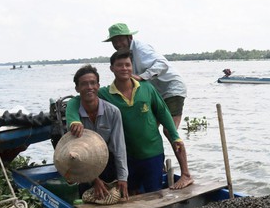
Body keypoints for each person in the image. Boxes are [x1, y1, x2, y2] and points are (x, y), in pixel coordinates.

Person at [65, 49, 193, 198]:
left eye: (128, 64)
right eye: (120, 65)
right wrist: (74, 119)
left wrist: (175, 135)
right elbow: (76, 100)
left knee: (155, 195)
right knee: (130, 195)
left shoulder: (147, 87)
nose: (124, 68)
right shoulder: (105, 93)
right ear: (112, 68)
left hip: (153, 152)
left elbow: (163, 112)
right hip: (128, 156)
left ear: (132, 67)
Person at [68, 65, 130, 208]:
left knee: (119, 204)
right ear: (77, 88)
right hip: (83, 165)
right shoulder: (74, 117)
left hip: (107, 161)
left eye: (93, 83)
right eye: (84, 84)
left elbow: (119, 147)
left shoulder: (113, 112)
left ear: (98, 85)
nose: (89, 87)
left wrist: (123, 177)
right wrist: (93, 179)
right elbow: (76, 153)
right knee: (89, 204)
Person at [103, 23, 187, 131]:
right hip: (155, 93)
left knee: (169, 130)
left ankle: (179, 147)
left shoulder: (141, 48)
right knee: (149, 128)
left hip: (171, 87)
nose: (118, 44)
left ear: (130, 37)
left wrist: (142, 77)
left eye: (120, 40)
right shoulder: (125, 55)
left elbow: (162, 64)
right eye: (114, 41)